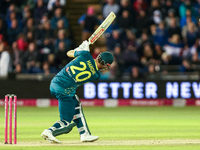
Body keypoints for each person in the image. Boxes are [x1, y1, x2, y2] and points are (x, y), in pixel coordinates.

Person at [41, 41, 114, 143]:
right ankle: (49, 131)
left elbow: (69, 53)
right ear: (106, 65)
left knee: (76, 103)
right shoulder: (96, 75)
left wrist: (79, 50)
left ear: (98, 56)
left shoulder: (85, 55)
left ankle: (84, 134)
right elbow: (88, 65)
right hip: (64, 91)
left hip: (54, 83)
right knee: (66, 121)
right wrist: (82, 50)